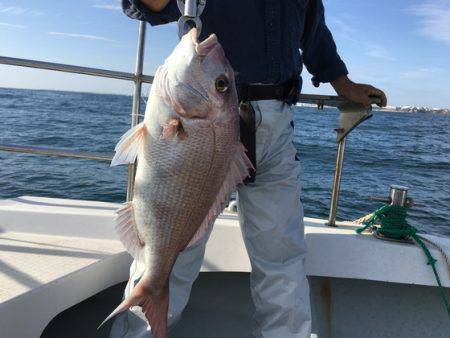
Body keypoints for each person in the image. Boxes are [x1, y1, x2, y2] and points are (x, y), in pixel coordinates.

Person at [111, 1, 387, 337]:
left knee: (283, 260)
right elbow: (155, 6)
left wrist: (344, 84)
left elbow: (313, 30)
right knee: (169, 255)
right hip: (203, 112)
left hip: (274, 126)